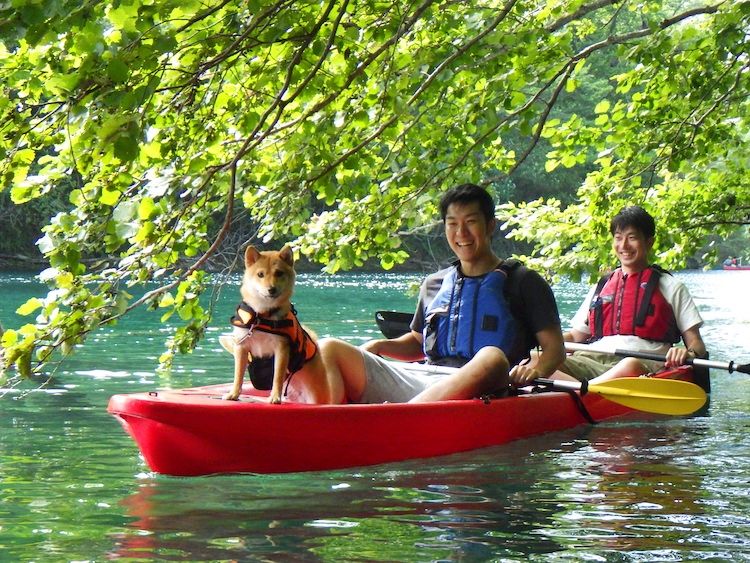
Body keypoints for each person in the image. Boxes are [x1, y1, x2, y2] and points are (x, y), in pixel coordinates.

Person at [318, 183, 566, 403]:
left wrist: (535, 371)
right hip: (427, 380)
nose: (461, 233)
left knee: (492, 356)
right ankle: (331, 420)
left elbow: (554, 349)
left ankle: (403, 419)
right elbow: (418, 343)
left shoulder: (524, 282)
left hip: (489, 387)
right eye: (453, 224)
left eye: (471, 222)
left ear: (490, 225)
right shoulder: (434, 284)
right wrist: (381, 345)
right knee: (329, 348)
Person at [555, 205, 707, 384]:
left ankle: (581, 390)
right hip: (592, 358)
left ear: (649, 242)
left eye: (632, 238)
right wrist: (545, 343)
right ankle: (585, 390)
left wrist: (687, 353)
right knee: (535, 360)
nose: (624, 245)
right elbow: (575, 337)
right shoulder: (602, 286)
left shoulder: (671, 287)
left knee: (630, 365)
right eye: (618, 238)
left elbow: (696, 344)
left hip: (642, 363)